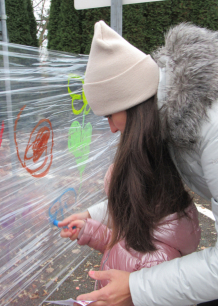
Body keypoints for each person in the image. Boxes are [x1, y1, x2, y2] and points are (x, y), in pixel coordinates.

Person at [59, 21, 218, 306]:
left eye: (109, 115)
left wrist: (137, 287)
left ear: (130, 101)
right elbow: (145, 195)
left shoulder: (212, 126)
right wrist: (93, 216)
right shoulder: (163, 119)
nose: (110, 128)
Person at [64, 163, 200, 298]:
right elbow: (119, 247)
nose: (113, 211)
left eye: (117, 205)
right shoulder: (139, 229)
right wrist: (87, 230)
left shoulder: (156, 261)